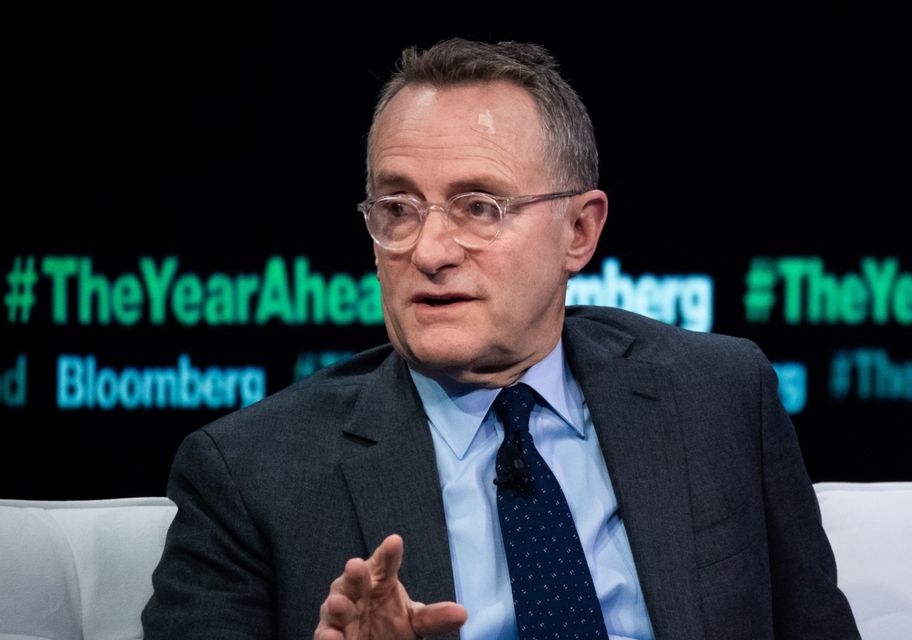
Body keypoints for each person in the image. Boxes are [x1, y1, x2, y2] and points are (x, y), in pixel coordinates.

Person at [142, 38, 859, 640]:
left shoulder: (719, 396)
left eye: (479, 207)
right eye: (398, 208)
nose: (429, 251)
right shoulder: (249, 476)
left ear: (579, 231)